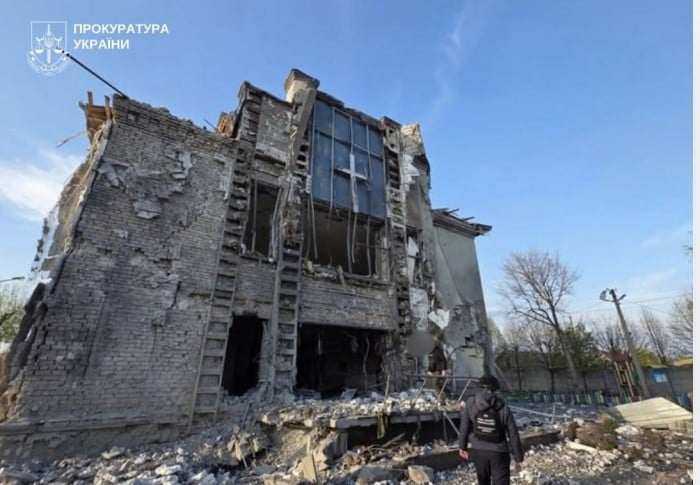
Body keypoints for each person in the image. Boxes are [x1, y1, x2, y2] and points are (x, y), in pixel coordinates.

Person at [458, 375, 524, 484]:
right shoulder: (503, 408)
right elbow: (513, 434)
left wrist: (462, 447)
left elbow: (464, 426)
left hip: (479, 451)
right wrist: (519, 458)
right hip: (499, 453)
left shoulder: (471, 403)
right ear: (496, 390)